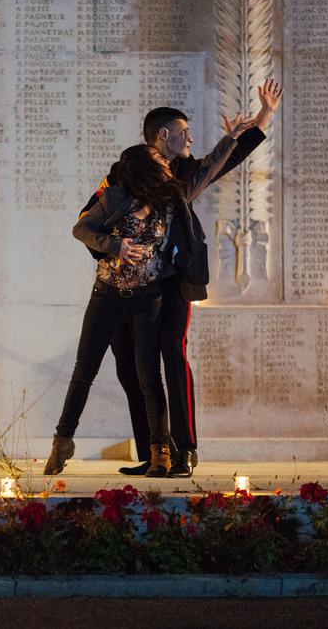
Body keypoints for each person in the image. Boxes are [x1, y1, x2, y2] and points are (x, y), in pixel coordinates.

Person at [83, 78, 283, 477]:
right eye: (184, 132)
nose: (190, 138)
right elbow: (91, 220)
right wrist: (116, 249)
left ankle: (185, 449)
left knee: (171, 354)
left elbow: (225, 160)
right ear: (163, 136)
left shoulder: (187, 172)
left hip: (174, 282)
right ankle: (153, 450)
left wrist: (264, 116)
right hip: (130, 285)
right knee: (129, 365)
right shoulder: (122, 173)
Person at [44, 145, 185, 477]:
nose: (165, 161)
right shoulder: (114, 198)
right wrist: (115, 245)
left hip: (148, 299)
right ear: (143, 168)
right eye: (157, 158)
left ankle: (160, 452)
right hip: (106, 296)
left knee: (149, 376)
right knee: (84, 371)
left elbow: (206, 173)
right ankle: (62, 441)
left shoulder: (170, 201)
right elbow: (80, 229)